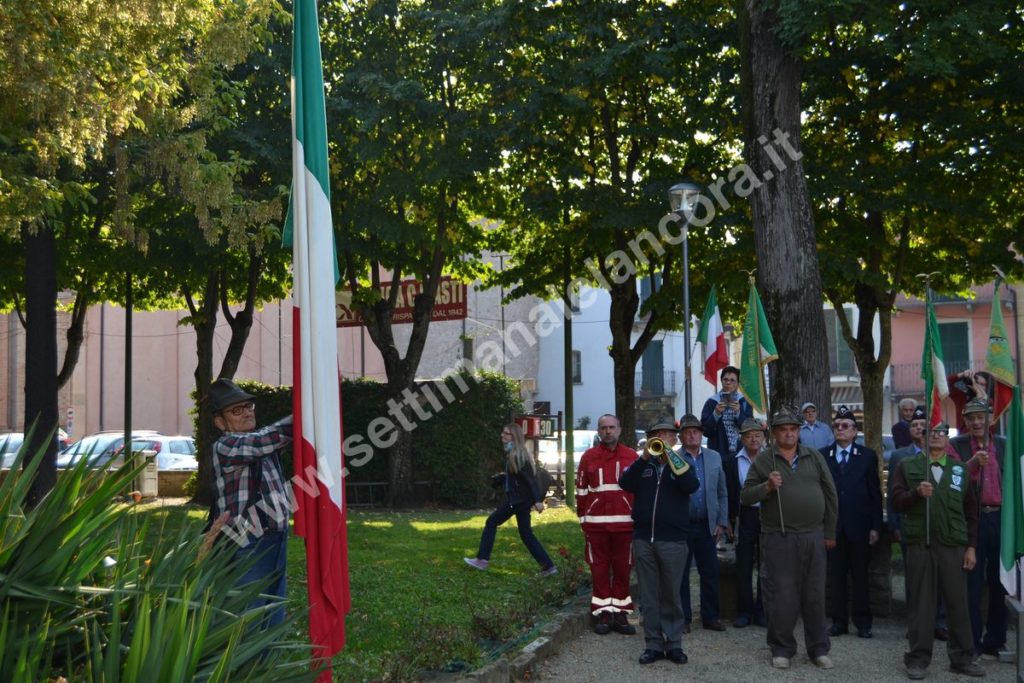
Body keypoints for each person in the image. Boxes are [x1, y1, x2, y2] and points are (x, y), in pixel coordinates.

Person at [741, 406, 838, 671]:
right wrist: (767, 487)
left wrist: (829, 532)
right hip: (779, 537)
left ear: (798, 432)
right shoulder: (764, 461)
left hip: (814, 536)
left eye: (793, 429)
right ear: (774, 434)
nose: (789, 434)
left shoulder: (814, 457)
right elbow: (746, 496)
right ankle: (782, 648)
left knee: (815, 595)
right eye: (783, 430)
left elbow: (831, 495)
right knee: (782, 595)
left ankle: (818, 649)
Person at [890, 423, 984, 679]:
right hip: (921, 544)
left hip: (953, 546)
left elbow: (972, 513)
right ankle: (918, 659)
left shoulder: (961, 469)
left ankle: (962, 658)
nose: (937, 437)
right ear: (922, 437)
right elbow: (896, 502)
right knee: (922, 605)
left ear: (947, 439)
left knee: (958, 604)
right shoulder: (907, 466)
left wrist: (972, 548)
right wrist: (915, 494)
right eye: (931, 433)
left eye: (942, 433)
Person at [209, 378, 293, 628]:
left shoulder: (259, 440)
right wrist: (309, 407)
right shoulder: (226, 445)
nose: (246, 412)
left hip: (276, 538)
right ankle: (246, 667)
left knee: (274, 613)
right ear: (220, 422)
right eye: (236, 410)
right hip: (247, 542)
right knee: (250, 619)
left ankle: (267, 665)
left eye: (248, 406)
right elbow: (269, 439)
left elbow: (274, 438)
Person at [619, 420, 699, 665]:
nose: (663, 439)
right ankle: (653, 644)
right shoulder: (643, 466)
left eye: (668, 435)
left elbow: (691, 485)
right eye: (658, 435)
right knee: (649, 596)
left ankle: (674, 644)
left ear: (675, 440)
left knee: (672, 594)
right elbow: (625, 483)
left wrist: (672, 460)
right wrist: (643, 458)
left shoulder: (683, 464)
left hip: (673, 540)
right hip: (644, 539)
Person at [950, 398, 1008, 660]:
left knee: (1001, 584)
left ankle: (995, 640)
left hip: (1001, 520)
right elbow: (952, 479)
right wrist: (972, 463)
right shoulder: (957, 445)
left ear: (991, 419)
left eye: (981, 417)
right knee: (970, 585)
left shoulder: (1004, 445)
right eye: (971, 418)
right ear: (965, 421)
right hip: (971, 521)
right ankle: (971, 642)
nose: (976, 422)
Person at [889, 407, 950, 641]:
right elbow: (894, 494)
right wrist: (894, 525)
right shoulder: (899, 456)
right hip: (910, 524)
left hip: (940, 525)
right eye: (915, 425)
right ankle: (915, 622)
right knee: (914, 577)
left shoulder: (946, 455)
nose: (920, 429)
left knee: (940, 575)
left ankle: (939, 621)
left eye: (924, 425)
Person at [464, 423, 557, 576]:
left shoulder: (518, 455)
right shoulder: (514, 453)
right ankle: (548, 567)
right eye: (503, 433)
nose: (502, 435)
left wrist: (538, 501)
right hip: (521, 500)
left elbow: (531, 480)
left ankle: (482, 560)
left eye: (506, 433)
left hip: (518, 500)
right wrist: (503, 478)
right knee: (526, 534)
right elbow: (519, 477)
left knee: (491, 522)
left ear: (514, 437)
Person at [822, 405, 882, 639]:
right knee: (835, 578)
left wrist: (876, 526)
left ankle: (863, 623)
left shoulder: (867, 456)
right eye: (836, 426)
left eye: (845, 426)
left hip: (860, 527)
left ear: (855, 431)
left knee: (860, 577)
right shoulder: (823, 454)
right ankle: (838, 622)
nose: (840, 429)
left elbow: (875, 493)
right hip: (833, 527)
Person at [576, 414, 638, 635]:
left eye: (612, 427)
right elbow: (581, 491)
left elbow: (638, 491)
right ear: (598, 431)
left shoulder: (631, 456)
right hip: (596, 526)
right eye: (603, 428)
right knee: (599, 570)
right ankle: (603, 613)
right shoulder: (588, 457)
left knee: (622, 569)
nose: (608, 431)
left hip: (625, 525)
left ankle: (620, 614)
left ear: (619, 430)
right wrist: (583, 519)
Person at [677, 413, 730, 632]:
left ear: (702, 434)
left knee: (710, 572)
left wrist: (722, 521)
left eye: (696, 431)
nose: (692, 435)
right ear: (681, 437)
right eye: (688, 432)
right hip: (682, 524)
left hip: (708, 524)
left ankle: (711, 616)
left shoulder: (714, 457)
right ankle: (684, 618)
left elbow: (722, 493)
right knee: (681, 574)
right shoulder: (674, 457)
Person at [724, 418, 767, 628]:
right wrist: (728, 520)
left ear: (763, 437)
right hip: (743, 516)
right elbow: (727, 492)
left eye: (757, 435)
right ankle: (744, 611)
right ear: (742, 438)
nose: (753, 439)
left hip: (768, 516)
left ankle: (762, 611)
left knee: (766, 566)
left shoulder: (771, 460)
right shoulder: (732, 461)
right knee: (743, 565)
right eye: (749, 435)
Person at [701, 366, 753, 461]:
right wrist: (716, 414)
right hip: (717, 453)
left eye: (732, 380)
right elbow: (705, 431)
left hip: (741, 452)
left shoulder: (745, 402)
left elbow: (750, 428)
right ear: (721, 381)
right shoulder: (712, 402)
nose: (728, 383)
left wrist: (738, 413)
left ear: (738, 383)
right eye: (725, 379)